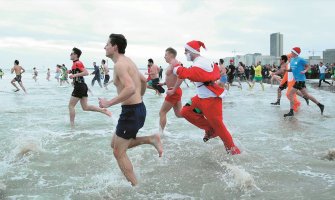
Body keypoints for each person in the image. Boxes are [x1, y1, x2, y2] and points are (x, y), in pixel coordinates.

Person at [98, 34, 163, 186]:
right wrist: (139, 98)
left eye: (107, 44)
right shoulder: (128, 62)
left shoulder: (120, 64)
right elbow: (142, 81)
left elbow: (131, 87)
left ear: (115, 47)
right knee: (114, 144)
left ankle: (136, 187)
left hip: (132, 112)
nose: (105, 47)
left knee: (118, 152)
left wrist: (109, 103)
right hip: (135, 109)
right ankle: (150, 139)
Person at [172, 40, 240, 155]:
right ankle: (211, 129)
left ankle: (234, 152)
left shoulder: (200, 63)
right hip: (200, 98)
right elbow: (216, 71)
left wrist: (175, 67)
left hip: (211, 101)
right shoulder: (201, 61)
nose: (185, 54)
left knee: (221, 128)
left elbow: (188, 73)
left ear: (192, 51)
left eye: (186, 51)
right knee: (185, 111)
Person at [68, 47, 111, 127]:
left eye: (71, 53)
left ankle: (72, 126)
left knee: (71, 106)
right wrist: (70, 72)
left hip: (79, 86)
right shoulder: (75, 64)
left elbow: (86, 72)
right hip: (82, 86)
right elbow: (78, 72)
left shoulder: (78, 63)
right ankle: (103, 110)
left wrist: (74, 75)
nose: (70, 55)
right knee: (85, 107)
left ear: (76, 55)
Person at [284, 47, 324, 117]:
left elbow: (309, 66)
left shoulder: (301, 59)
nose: (291, 53)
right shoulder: (292, 60)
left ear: (295, 53)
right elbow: (292, 69)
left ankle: (291, 111)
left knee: (290, 94)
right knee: (306, 95)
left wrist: (305, 71)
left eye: (292, 52)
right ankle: (320, 105)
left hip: (300, 80)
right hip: (298, 80)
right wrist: (286, 70)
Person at [157, 47, 183, 134]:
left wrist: (173, 90)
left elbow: (182, 76)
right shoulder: (172, 63)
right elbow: (172, 77)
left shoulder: (175, 63)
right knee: (179, 114)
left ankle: (160, 134)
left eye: (166, 55)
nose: (164, 57)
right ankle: (197, 112)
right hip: (174, 90)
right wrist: (164, 83)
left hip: (173, 92)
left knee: (162, 112)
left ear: (171, 55)